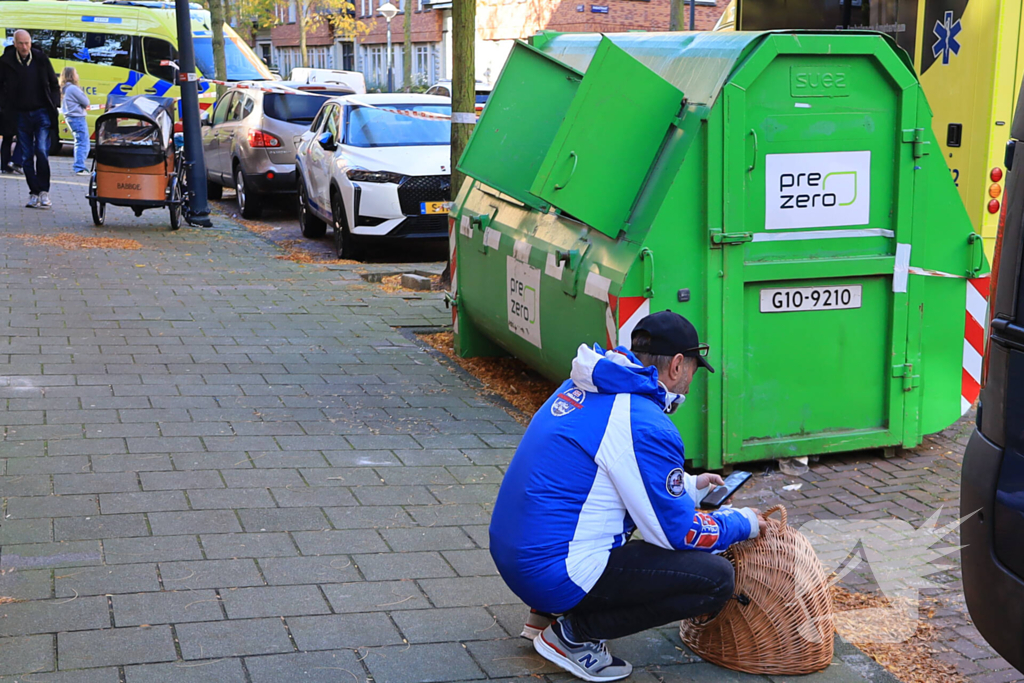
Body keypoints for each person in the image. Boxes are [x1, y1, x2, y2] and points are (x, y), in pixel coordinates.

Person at [489, 310, 767, 682]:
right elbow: (678, 534)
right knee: (715, 578)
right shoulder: (644, 421)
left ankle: (546, 616)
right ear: (678, 366)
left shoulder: (587, 386)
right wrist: (741, 522)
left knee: (599, 514)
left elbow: (610, 471)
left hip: (517, 557)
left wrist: (686, 485)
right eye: (694, 372)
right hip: (553, 573)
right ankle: (574, 636)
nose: (689, 384)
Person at [0, 29, 60, 209]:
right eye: (21, 43)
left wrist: (54, 104)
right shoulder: (6, 62)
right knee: (26, 157)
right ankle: (34, 192)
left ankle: (44, 191)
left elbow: (54, 83)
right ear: (15, 43)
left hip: (41, 112)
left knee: (41, 151)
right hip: (19, 114)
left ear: (31, 42)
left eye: (27, 43)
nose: (25, 47)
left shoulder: (41, 59)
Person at [60, 66, 90, 176]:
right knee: (82, 142)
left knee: (79, 141)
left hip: (71, 117)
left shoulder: (65, 88)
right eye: (76, 73)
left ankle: (79, 166)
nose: (78, 75)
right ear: (72, 75)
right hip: (77, 117)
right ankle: (80, 167)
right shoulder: (73, 88)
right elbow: (86, 101)